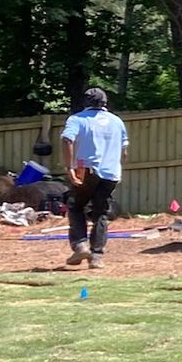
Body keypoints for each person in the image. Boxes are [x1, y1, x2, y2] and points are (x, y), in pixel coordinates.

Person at [60, 87, 128, 269]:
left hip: (87, 169)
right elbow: (124, 152)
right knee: (101, 213)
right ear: (105, 103)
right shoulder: (117, 122)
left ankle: (80, 245)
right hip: (111, 173)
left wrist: (69, 167)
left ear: (86, 102)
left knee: (75, 206)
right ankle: (96, 257)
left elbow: (67, 140)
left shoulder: (77, 119)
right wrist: (116, 167)